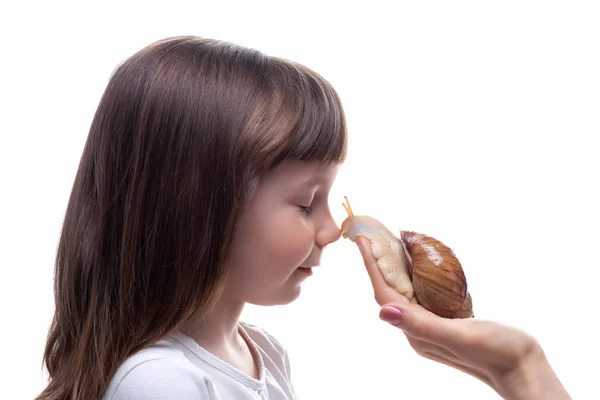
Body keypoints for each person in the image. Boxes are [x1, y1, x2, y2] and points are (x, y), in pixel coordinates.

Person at [36, 36, 571, 400]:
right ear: (196, 205)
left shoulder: (261, 353)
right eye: (304, 202)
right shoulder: (161, 382)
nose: (334, 230)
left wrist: (517, 364)